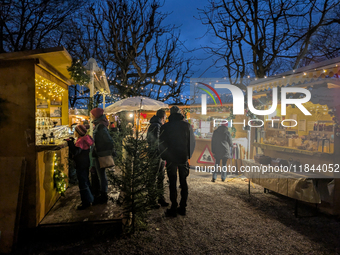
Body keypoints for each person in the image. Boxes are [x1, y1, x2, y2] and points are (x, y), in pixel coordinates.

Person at [160, 106, 196, 217]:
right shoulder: (187, 126)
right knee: (183, 182)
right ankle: (183, 207)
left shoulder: (166, 126)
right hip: (183, 157)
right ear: (180, 113)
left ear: (170, 113)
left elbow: (161, 143)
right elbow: (192, 143)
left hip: (171, 158)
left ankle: (174, 206)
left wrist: (165, 156)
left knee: (172, 182)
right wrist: (188, 155)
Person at [66, 124, 94, 210]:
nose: (74, 132)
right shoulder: (86, 138)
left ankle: (86, 202)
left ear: (78, 133)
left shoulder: (80, 141)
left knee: (82, 182)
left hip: (81, 164)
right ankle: (90, 198)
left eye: (75, 131)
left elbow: (76, 152)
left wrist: (70, 143)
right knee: (86, 180)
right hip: (85, 163)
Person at [91, 108, 114, 204]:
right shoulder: (98, 125)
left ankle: (103, 195)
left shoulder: (100, 126)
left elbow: (109, 141)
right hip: (97, 154)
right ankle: (100, 193)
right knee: (99, 174)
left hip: (100, 154)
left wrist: (101, 150)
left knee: (101, 175)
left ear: (96, 115)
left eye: (92, 114)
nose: (91, 116)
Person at [146, 109, 169, 208]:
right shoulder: (158, 126)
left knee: (157, 176)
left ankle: (159, 198)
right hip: (157, 154)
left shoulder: (152, 125)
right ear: (163, 117)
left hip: (154, 153)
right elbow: (159, 141)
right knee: (157, 176)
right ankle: (153, 200)